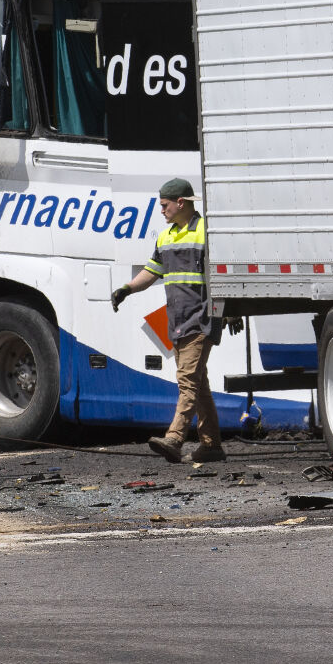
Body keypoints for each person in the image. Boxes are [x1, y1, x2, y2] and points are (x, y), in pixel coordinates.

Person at [111, 177, 222, 464]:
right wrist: (127, 288)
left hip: (202, 318)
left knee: (187, 380)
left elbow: (221, 277)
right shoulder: (166, 236)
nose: (161, 210)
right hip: (178, 321)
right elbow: (152, 270)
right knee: (199, 384)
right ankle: (211, 445)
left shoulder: (206, 233)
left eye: (164, 205)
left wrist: (228, 310)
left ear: (180, 203)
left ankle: (174, 437)